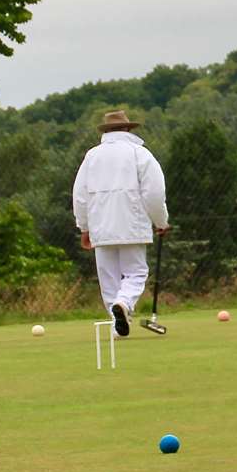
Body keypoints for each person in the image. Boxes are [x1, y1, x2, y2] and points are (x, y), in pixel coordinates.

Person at [72, 110, 169, 338]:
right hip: (132, 224)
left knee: (109, 279)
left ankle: (117, 326)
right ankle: (124, 304)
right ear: (128, 129)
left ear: (106, 131)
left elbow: (79, 195)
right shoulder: (140, 154)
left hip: (101, 227)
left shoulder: (91, 156)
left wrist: (84, 226)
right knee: (135, 273)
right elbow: (154, 193)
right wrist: (161, 221)